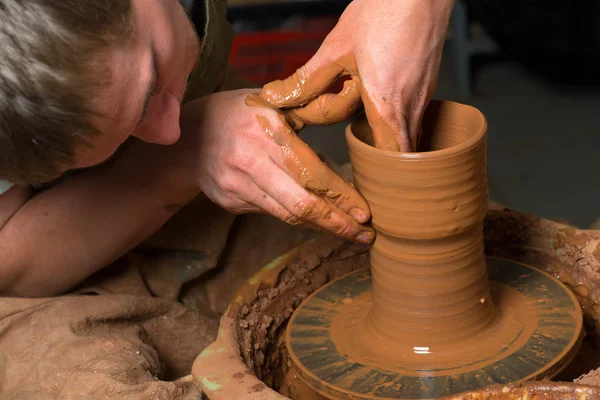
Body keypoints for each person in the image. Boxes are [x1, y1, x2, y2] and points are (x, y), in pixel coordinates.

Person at [0, 0, 455, 397]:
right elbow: (11, 270)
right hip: (49, 261)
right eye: (119, 135)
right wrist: (184, 156)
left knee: (437, 252)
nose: (166, 129)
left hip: (218, 170)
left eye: (152, 80)